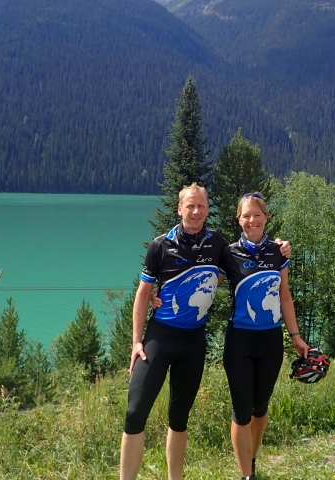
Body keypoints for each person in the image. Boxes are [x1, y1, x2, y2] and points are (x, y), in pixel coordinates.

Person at [120, 183, 290, 480]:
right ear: (180, 209)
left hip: (193, 341)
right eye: (190, 206)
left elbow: (242, 266)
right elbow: (142, 293)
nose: (196, 211)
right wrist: (136, 341)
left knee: (179, 419)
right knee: (135, 413)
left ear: (207, 209)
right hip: (159, 337)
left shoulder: (218, 244)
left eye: (201, 206)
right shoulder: (160, 245)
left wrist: (279, 248)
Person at [220, 192, 310, 480]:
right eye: (246, 215)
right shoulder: (229, 253)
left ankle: (252, 458)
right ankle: (246, 475)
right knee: (241, 411)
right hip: (239, 341)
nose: (251, 220)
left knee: (260, 410)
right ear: (239, 220)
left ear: (266, 217)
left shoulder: (277, 252)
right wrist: (163, 293)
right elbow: (207, 279)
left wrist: (295, 336)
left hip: (271, 340)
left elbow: (284, 297)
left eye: (257, 214)